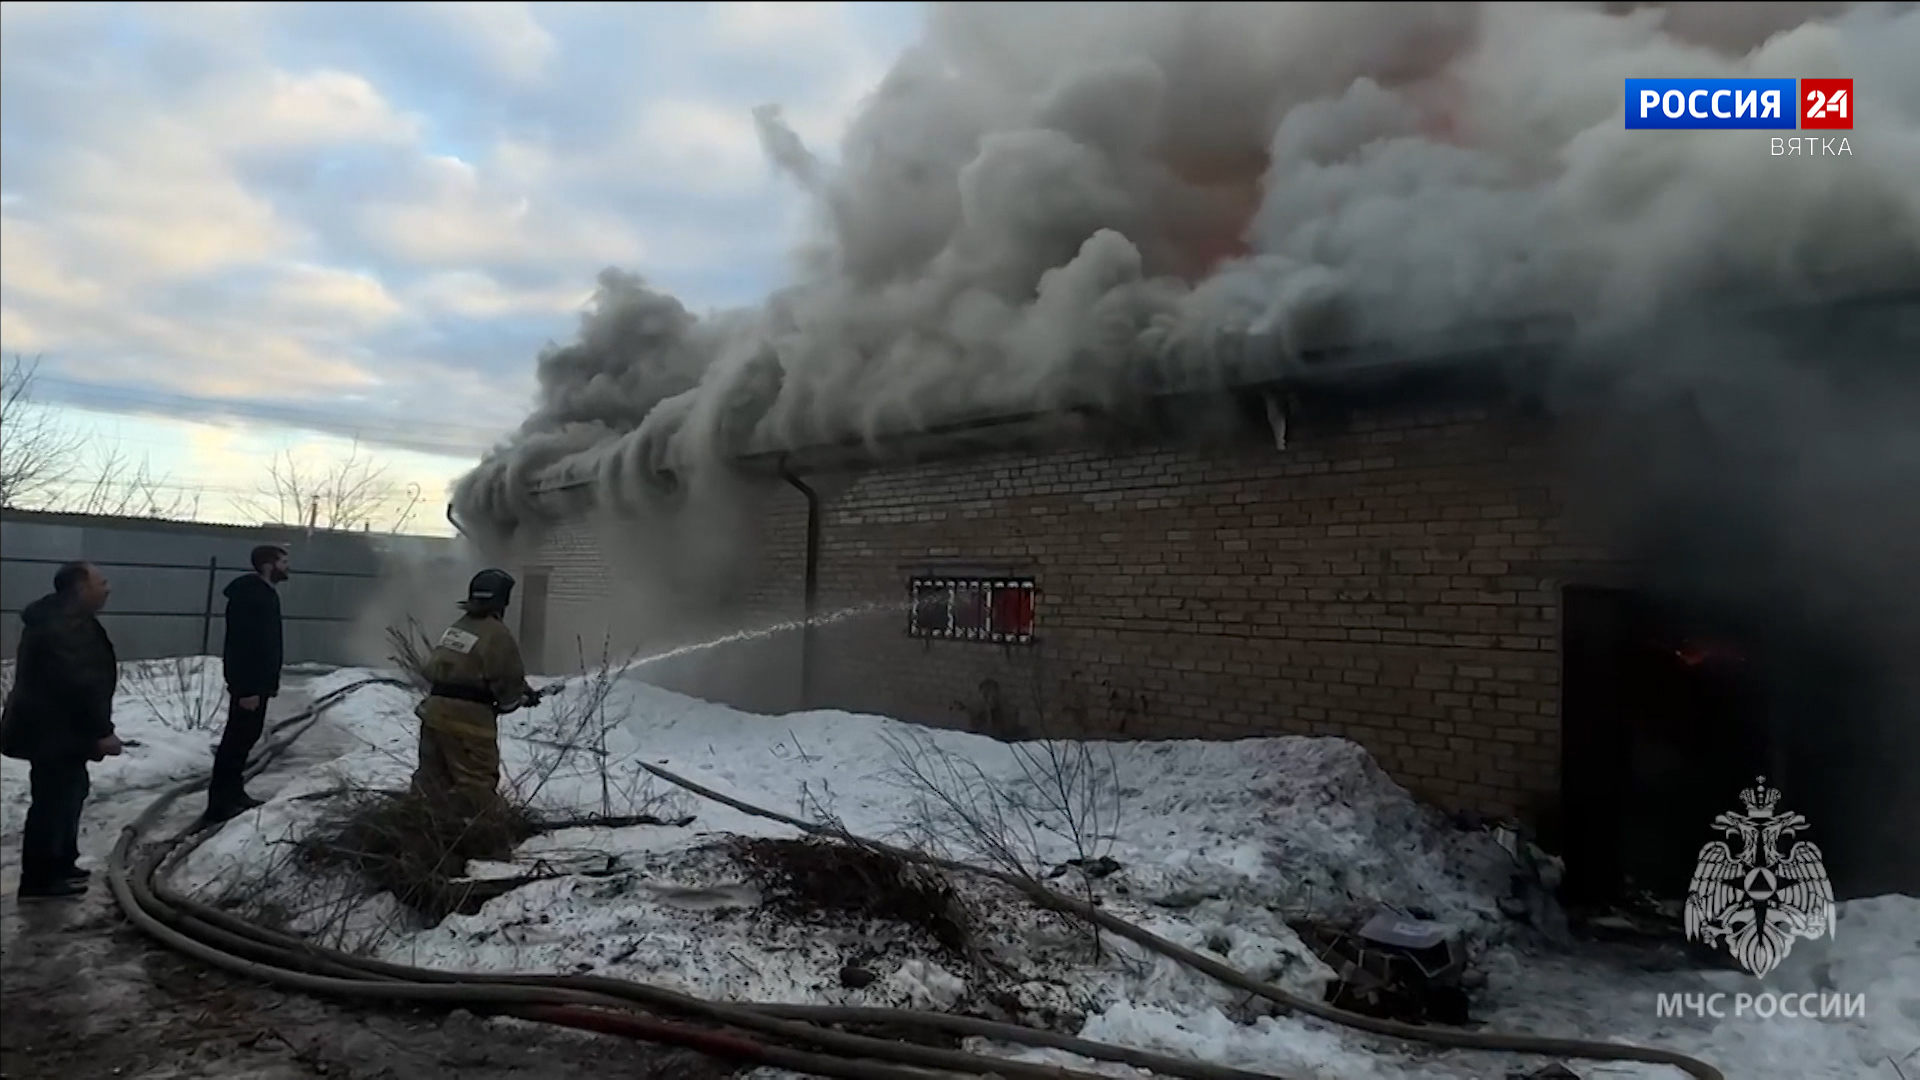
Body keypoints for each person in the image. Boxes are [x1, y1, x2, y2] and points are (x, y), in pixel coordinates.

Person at [0, 562, 125, 900]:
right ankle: (40, 879)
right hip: (50, 732)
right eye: (101, 581)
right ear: (80, 587)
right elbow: (76, 683)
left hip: (63, 732)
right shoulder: (61, 625)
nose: (108, 588)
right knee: (53, 802)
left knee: (69, 795)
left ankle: (59, 863)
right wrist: (101, 731)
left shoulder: (71, 620)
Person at [411, 569, 543, 851]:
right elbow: (506, 684)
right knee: (475, 786)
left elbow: (447, 667)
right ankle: (483, 850)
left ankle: (421, 839)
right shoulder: (497, 633)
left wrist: (517, 689)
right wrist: (515, 699)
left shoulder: (459, 626)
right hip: (468, 723)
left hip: (434, 715)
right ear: (502, 602)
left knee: (431, 782)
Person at [206, 543, 289, 823]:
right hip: (249, 686)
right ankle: (219, 803)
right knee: (235, 742)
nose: (286, 567)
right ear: (268, 565)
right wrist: (247, 689)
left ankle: (234, 793)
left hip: (258, 685)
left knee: (246, 739)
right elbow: (242, 645)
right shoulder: (250, 597)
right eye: (282, 562)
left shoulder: (264, 594)